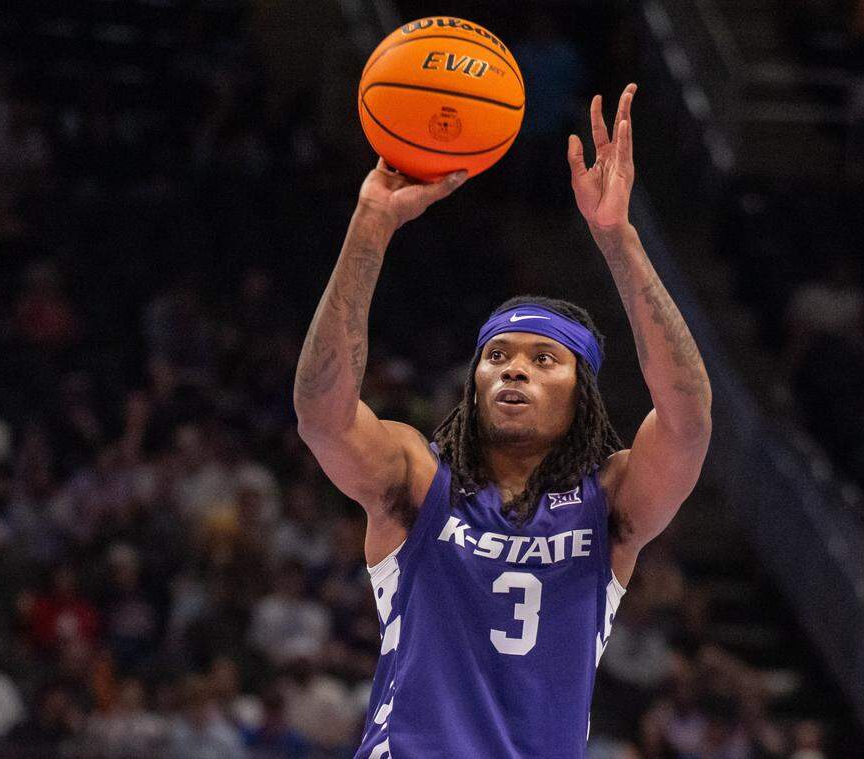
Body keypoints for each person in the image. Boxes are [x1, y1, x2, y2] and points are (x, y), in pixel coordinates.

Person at [294, 83, 712, 757]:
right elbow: (321, 414)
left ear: (582, 394)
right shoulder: (418, 477)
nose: (512, 369)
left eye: (544, 358)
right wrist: (370, 223)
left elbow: (689, 419)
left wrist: (618, 241)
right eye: (496, 356)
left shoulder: (610, 503)